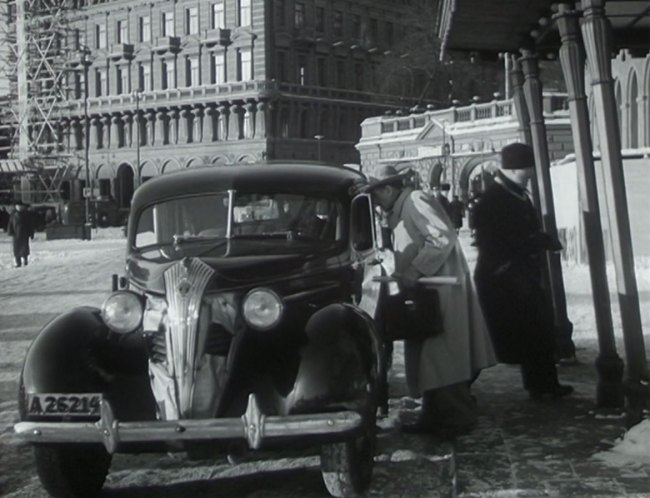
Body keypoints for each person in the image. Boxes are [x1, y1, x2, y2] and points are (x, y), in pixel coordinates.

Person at [365, 164, 496, 437]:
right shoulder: (399, 209)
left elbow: (440, 237)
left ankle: (458, 417)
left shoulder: (415, 201)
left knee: (444, 356)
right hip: (426, 293)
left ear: (388, 189)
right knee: (429, 357)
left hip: (441, 291)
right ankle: (434, 415)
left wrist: (415, 269)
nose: (376, 202)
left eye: (376, 195)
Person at [472, 143, 573, 400]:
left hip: (517, 276)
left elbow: (520, 232)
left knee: (535, 332)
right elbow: (493, 242)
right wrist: (533, 244)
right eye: (528, 168)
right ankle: (455, 388)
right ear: (517, 169)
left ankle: (543, 385)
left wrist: (542, 240)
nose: (531, 173)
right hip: (501, 280)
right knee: (489, 337)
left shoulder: (513, 192)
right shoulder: (494, 198)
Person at [7, 201, 34, 268]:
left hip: (24, 234)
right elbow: (10, 224)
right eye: (17, 206)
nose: (19, 207)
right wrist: (10, 232)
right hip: (16, 234)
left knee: (24, 248)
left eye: (20, 206)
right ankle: (18, 262)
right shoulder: (13, 214)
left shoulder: (26, 214)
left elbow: (30, 225)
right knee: (16, 249)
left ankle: (25, 260)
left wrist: (31, 233)